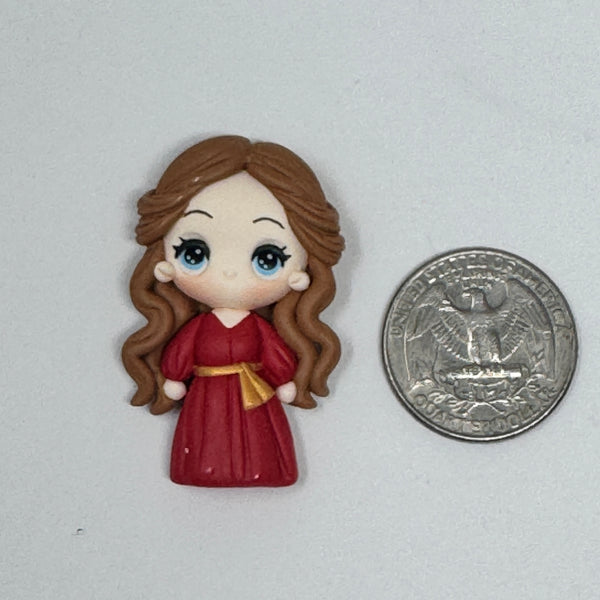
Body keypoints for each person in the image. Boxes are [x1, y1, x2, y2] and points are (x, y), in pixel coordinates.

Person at [122, 135, 344, 487]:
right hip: (206, 399)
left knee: (257, 444)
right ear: (163, 261)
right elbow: (180, 353)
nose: (228, 273)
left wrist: (285, 380)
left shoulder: (258, 328)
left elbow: (275, 355)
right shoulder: (199, 326)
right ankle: (204, 469)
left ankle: (262, 469)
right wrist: (174, 377)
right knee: (208, 440)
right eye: (195, 252)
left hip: (254, 396)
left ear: (300, 273)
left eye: (267, 258)